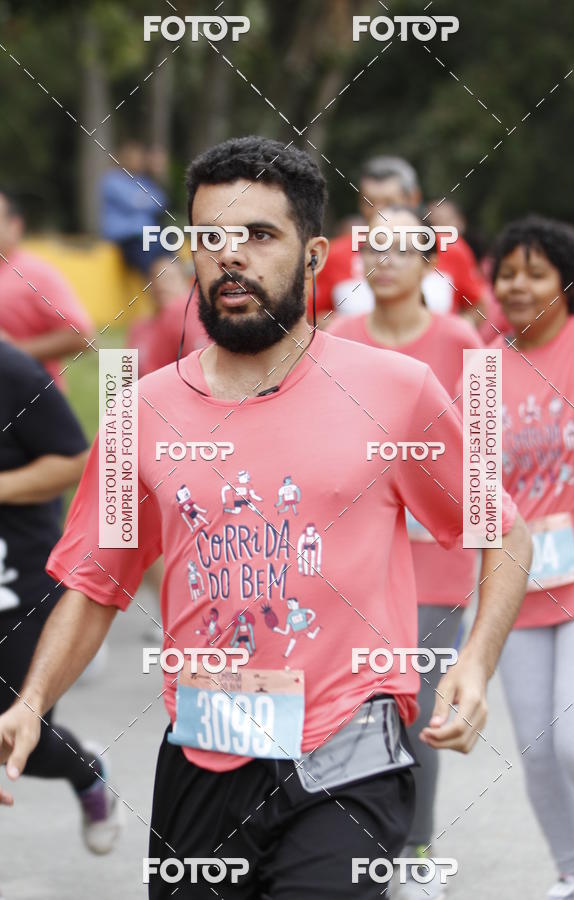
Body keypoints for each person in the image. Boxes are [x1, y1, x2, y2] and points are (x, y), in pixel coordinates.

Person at [0, 137, 531, 900]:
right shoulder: (137, 412)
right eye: (211, 236)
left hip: (350, 746)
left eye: (258, 234)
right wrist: (31, 703)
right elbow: (95, 583)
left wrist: (474, 663)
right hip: (204, 752)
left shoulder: (397, 390)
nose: (231, 255)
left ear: (313, 255)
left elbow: (502, 530)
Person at [329, 205, 483, 899]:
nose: (383, 261)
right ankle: (358, 847)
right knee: (355, 709)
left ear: (429, 264)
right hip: (355, 562)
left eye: (400, 249)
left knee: (415, 709)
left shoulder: (464, 343)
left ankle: (416, 848)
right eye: (374, 248)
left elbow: (484, 456)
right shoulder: (338, 338)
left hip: (436, 565)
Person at [491, 214, 574, 900]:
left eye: (536, 273)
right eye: (507, 274)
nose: (518, 286)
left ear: (568, 283)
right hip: (518, 588)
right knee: (536, 752)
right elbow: (475, 489)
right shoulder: (483, 370)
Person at [0, 339, 122, 874]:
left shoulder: (13, 372)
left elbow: (77, 459)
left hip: (18, 589)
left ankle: (86, 772)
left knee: (15, 737)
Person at [315, 156, 488, 325]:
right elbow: (314, 315)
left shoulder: (449, 248)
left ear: (414, 198)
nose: (379, 211)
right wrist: (343, 330)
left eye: (389, 202)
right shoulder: (335, 254)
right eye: (369, 202)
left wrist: (450, 333)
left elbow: (477, 307)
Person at [0, 189, 95, 390]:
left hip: (29, 397)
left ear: (15, 226)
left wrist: (12, 352)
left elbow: (82, 335)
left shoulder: (35, 273)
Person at [127, 257, 209, 379]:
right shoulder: (139, 328)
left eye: (170, 279)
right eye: (156, 279)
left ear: (186, 284)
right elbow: (124, 378)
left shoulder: (203, 325)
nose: (162, 285)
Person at [99, 141, 168, 275]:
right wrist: (145, 200)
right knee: (156, 263)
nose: (138, 160)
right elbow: (131, 202)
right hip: (127, 239)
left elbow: (161, 202)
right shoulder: (112, 179)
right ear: (123, 157)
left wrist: (155, 175)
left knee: (169, 250)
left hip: (148, 237)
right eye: (134, 156)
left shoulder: (143, 181)